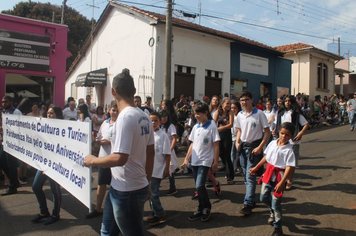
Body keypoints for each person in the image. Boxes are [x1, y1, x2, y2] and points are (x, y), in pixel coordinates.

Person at [84, 68, 155, 236]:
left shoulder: (125, 117)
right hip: (121, 187)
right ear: (134, 91)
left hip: (127, 191)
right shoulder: (144, 116)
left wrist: (92, 160)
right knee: (107, 231)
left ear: (113, 91)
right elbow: (151, 151)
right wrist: (147, 181)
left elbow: (120, 158)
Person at [250, 122, 296, 236]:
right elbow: (266, 157)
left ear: (290, 136)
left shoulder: (289, 150)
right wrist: (256, 167)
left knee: (276, 204)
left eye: (287, 135)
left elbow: (289, 167)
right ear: (278, 132)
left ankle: (278, 228)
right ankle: (273, 211)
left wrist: (282, 182)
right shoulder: (272, 143)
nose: (284, 136)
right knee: (263, 197)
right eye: (282, 133)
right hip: (268, 174)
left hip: (279, 177)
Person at [182, 102, 220, 222]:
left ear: (206, 113)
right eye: (195, 113)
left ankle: (206, 207)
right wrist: (186, 159)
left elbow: (216, 145)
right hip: (195, 161)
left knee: (199, 186)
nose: (196, 115)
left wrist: (215, 162)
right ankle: (200, 208)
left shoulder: (212, 126)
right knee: (199, 187)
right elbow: (192, 144)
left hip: (205, 161)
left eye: (199, 113)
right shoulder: (196, 127)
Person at [235, 91, 271, 216]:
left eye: (246, 99)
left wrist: (260, 147)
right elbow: (239, 130)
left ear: (251, 100)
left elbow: (267, 132)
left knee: (250, 175)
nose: (244, 102)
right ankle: (251, 198)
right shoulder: (239, 115)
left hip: (254, 148)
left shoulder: (259, 114)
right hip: (242, 148)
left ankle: (248, 204)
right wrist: (237, 142)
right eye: (242, 100)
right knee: (245, 175)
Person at [31, 107, 63, 225]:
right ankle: (44, 212)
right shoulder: (44, 126)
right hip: (43, 162)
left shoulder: (62, 128)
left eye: (52, 113)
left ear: (57, 115)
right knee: (35, 186)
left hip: (55, 164)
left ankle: (55, 214)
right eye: (48, 113)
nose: (49, 115)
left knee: (55, 190)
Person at [86, 101, 118, 219]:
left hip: (115, 159)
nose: (114, 112)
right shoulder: (105, 123)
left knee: (116, 187)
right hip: (103, 158)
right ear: (109, 111)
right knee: (101, 184)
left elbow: (121, 141)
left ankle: (115, 212)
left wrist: (109, 141)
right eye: (113, 110)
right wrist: (99, 140)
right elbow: (98, 136)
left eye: (117, 110)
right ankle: (98, 209)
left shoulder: (120, 124)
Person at [274, 95, 309, 190]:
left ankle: (289, 180)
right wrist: (275, 131)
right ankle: (283, 178)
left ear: (292, 102)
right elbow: (278, 125)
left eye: (289, 101)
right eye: (285, 101)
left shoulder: (296, 113)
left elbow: (306, 124)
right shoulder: (280, 112)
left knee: (291, 163)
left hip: (293, 141)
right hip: (282, 139)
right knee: (281, 161)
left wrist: (301, 133)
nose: (287, 103)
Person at [144, 111, 171, 226]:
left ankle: (160, 214)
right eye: (151, 120)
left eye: (155, 120)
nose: (153, 122)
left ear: (160, 122)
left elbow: (167, 154)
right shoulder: (146, 135)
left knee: (154, 193)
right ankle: (155, 213)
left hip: (157, 170)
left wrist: (166, 169)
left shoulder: (163, 135)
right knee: (149, 193)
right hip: (146, 169)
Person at [0, 96, 22, 195]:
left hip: (13, 143)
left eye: (6, 102)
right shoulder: (4, 112)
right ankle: (15, 182)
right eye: (2, 102)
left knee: (11, 165)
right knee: (3, 162)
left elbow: (20, 126)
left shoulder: (16, 112)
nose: (3, 104)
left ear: (11, 102)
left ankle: (12, 187)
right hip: (5, 141)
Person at [213, 97, 234, 184]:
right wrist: (217, 130)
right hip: (218, 135)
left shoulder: (231, 112)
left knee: (227, 155)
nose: (229, 105)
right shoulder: (218, 112)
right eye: (227, 103)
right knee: (218, 154)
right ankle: (212, 177)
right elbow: (213, 122)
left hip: (227, 135)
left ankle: (230, 177)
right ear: (222, 104)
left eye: (229, 103)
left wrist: (221, 128)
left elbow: (231, 125)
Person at [160, 110, 178, 195]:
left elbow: (174, 138)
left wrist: (170, 149)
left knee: (170, 169)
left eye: (165, 117)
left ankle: (172, 187)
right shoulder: (159, 126)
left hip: (169, 151)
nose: (163, 118)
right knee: (160, 168)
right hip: (160, 151)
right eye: (162, 117)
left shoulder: (171, 126)